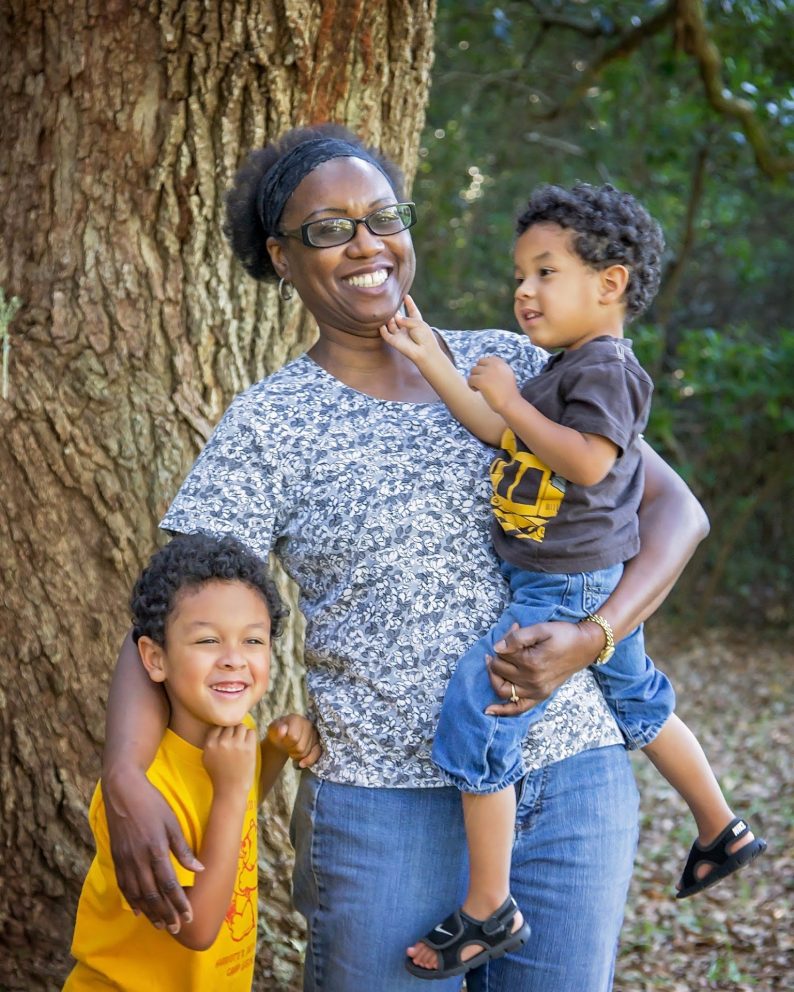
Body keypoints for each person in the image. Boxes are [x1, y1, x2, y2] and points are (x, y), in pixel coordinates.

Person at [99, 124, 713, 992]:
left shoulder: (516, 365)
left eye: (382, 215)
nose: (365, 243)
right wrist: (124, 773)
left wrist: (596, 635)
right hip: (385, 803)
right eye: (327, 228)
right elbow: (170, 611)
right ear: (282, 258)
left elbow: (676, 511)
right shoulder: (269, 426)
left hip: (571, 780)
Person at [379, 182, 767, 980]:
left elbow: (588, 459)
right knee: (641, 701)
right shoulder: (565, 370)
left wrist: (514, 399)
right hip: (578, 582)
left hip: (563, 590)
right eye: (519, 274)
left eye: (545, 272)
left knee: (479, 713)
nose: (524, 290)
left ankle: (489, 906)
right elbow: (496, 431)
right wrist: (434, 361)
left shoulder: (609, 369)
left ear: (610, 282)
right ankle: (720, 827)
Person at [63, 533, 320, 991]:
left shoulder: (231, 733)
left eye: (253, 640)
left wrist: (274, 752)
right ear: (155, 658)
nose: (233, 660)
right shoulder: (141, 792)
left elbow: (232, 814)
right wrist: (229, 788)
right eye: (207, 640)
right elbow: (197, 928)